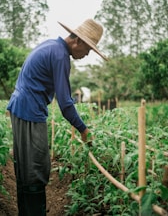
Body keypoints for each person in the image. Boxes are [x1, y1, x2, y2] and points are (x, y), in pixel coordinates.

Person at [6, 18, 107, 216]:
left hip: (22, 109)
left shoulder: (51, 46)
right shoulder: (60, 56)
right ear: (77, 42)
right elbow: (65, 103)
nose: (85, 55)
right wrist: (84, 129)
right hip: (29, 112)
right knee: (36, 169)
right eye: (87, 50)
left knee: (26, 169)